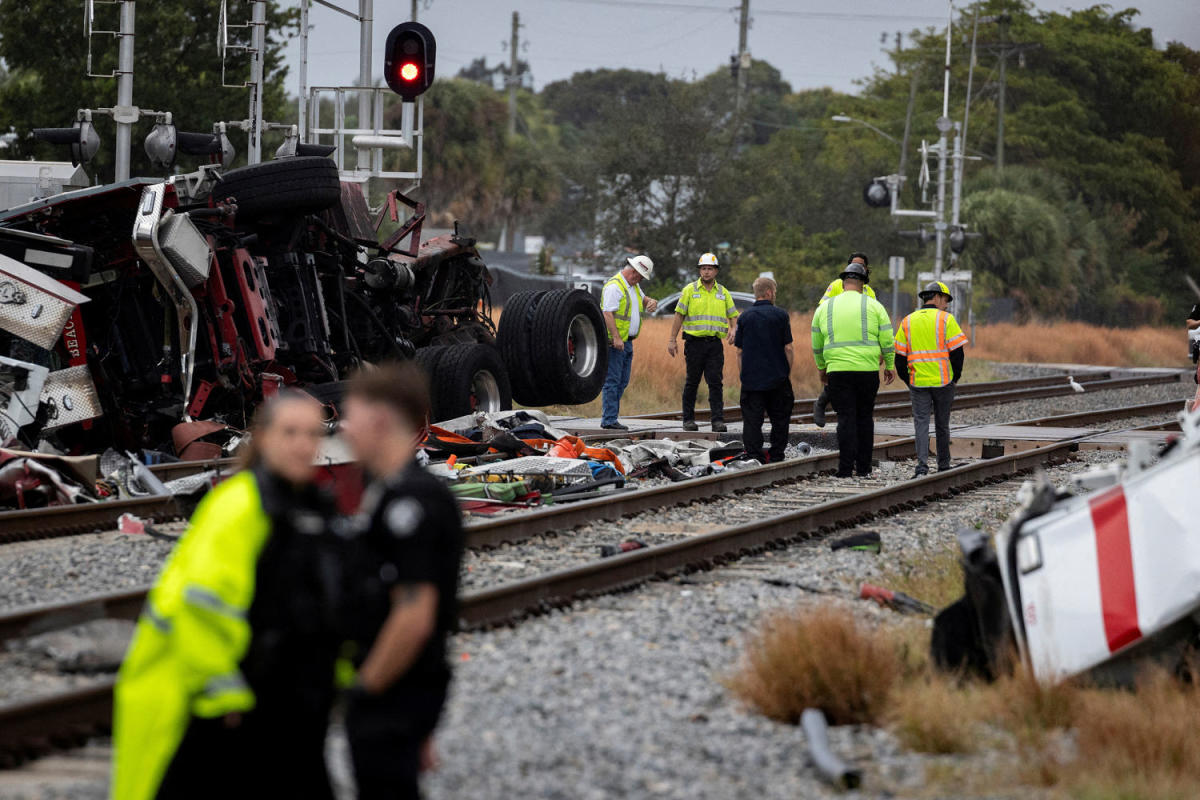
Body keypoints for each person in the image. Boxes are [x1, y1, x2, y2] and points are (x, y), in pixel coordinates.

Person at [112, 392, 339, 800]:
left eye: (311, 434)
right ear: (264, 438)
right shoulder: (239, 506)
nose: (303, 444)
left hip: (283, 703)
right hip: (222, 705)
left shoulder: (310, 507)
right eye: (290, 432)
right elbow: (200, 607)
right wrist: (225, 696)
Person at [339, 361, 466, 799]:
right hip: (402, 688)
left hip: (394, 687)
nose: (344, 428)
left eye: (349, 416)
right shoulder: (391, 490)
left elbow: (414, 615)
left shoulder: (411, 502)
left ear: (378, 418)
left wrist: (364, 690)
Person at [811, 262, 896, 478]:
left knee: (845, 418)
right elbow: (887, 338)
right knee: (865, 418)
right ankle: (864, 468)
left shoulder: (825, 307)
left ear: (843, 282)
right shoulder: (874, 306)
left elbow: (816, 341)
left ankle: (845, 469)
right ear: (863, 284)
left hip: (838, 370)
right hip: (867, 370)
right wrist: (890, 364)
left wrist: (822, 368)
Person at [895, 281, 968, 478]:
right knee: (942, 424)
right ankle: (943, 465)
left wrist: (908, 379)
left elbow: (899, 358)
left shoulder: (907, 321)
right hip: (943, 382)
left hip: (918, 382)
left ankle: (921, 467)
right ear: (936, 297)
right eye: (945, 299)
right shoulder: (946, 319)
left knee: (921, 424)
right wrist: (955, 378)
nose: (946, 304)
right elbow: (957, 353)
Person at [667, 252, 740, 432]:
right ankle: (688, 420)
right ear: (699, 270)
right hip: (694, 343)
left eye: (710, 269)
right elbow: (679, 315)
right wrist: (672, 339)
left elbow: (733, 316)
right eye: (703, 268)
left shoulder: (723, 293)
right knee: (692, 381)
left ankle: (717, 421)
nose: (706, 272)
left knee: (715, 382)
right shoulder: (689, 291)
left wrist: (734, 329)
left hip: (714, 344)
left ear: (716, 271)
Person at [734, 276, 794, 462]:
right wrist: (786, 372)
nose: (774, 294)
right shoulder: (781, 316)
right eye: (774, 292)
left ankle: (754, 455)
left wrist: (744, 375)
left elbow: (739, 351)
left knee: (752, 420)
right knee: (780, 419)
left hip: (752, 380)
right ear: (769, 292)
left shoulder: (744, 317)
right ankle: (777, 454)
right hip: (777, 379)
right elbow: (789, 348)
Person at [813, 251, 876, 428]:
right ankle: (821, 403)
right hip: (839, 337)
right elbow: (821, 309)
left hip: (861, 341)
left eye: (862, 265)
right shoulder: (836, 285)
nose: (859, 267)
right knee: (838, 376)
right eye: (855, 264)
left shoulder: (869, 291)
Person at [600, 254, 659, 430]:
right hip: (616, 343)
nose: (640, 280)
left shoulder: (633, 286)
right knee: (612, 381)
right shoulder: (614, 287)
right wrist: (617, 338)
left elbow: (643, 299)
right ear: (633, 272)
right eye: (640, 276)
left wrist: (651, 302)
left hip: (627, 342)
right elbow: (607, 313)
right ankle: (609, 420)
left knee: (622, 381)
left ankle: (611, 417)